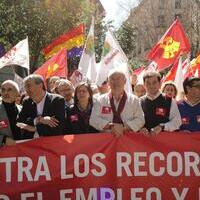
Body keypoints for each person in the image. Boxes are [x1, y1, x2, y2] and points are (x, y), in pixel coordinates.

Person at [90, 69, 145, 137]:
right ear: (108, 82)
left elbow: (140, 119)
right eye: (112, 79)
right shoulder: (100, 100)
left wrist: (124, 127)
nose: (115, 82)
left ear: (124, 81)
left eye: (118, 78)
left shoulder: (134, 100)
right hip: (106, 141)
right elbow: (93, 120)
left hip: (128, 140)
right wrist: (111, 126)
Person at [0, 80, 21, 146]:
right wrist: (3, 139)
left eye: (9, 90)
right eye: (3, 90)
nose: (5, 93)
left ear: (17, 93)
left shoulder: (22, 109)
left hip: (21, 152)